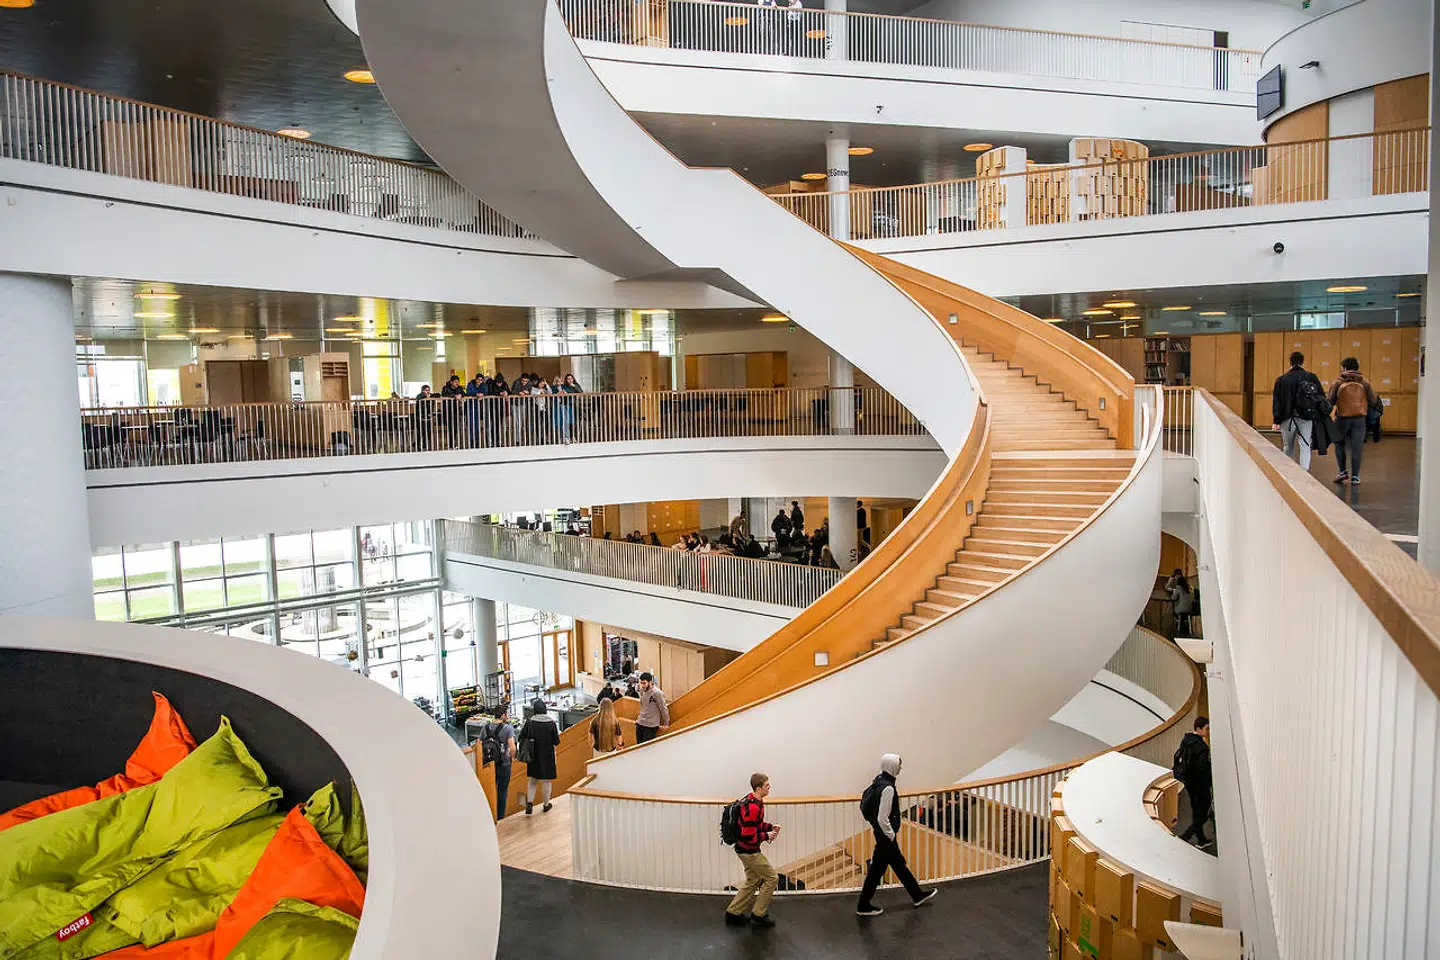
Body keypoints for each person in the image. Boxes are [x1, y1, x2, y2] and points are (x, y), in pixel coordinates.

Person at [855, 754, 937, 916]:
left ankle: (916, 895)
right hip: (885, 836)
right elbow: (882, 817)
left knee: (897, 865)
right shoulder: (888, 788)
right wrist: (891, 835)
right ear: (892, 766)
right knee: (880, 870)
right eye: (898, 764)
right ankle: (863, 905)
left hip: (883, 835)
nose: (900, 767)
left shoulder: (879, 780)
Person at [724, 773, 781, 928]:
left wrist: (769, 827)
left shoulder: (752, 800)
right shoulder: (754, 806)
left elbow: (754, 825)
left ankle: (733, 912)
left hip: (743, 849)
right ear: (758, 788)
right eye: (767, 785)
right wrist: (766, 835)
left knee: (753, 880)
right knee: (772, 878)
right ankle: (758, 915)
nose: (769, 788)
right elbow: (748, 834)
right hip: (749, 851)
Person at [1327, 356, 1378, 486]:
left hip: (1342, 418)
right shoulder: (1364, 382)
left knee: (1339, 444)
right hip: (1359, 419)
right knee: (1356, 447)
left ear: (1344, 368)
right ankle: (1355, 476)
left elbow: (1331, 401)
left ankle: (1342, 471)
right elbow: (1373, 400)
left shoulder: (1338, 382)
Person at [1271, 351, 1326, 471]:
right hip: (1306, 417)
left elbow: (1277, 401)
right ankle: (1304, 472)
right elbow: (1320, 396)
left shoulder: (1281, 379)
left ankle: (1289, 472)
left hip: (1287, 418)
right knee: (1305, 445)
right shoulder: (1311, 377)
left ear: (1290, 362)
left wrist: (1276, 420)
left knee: (1288, 446)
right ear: (1302, 362)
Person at [517, 698, 561, 815]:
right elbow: (556, 742)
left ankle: (529, 804)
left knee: (532, 780)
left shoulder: (530, 723)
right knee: (546, 781)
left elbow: (521, 736)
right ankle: (546, 804)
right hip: (547, 756)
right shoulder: (551, 723)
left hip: (533, 755)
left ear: (535, 710)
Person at [1174, 717, 1213, 847]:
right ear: (1199, 728)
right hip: (1200, 786)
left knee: (1197, 811)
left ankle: (1201, 839)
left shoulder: (1187, 740)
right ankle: (1186, 836)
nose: (1208, 731)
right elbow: (1202, 770)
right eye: (1206, 729)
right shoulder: (1201, 747)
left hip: (1189, 784)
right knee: (1204, 812)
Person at [481, 708, 518, 819]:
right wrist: (513, 758)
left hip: (488, 763)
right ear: (502, 715)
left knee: (489, 789)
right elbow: (512, 747)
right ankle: (500, 816)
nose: (507, 716)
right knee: (502, 790)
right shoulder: (508, 729)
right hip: (504, 763)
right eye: (506, 714)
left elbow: (479, 744)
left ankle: (489, 814)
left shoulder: (485, 728)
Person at [634, 671, 669, 743]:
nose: (642, 685)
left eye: (644, 683)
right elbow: (643, 705)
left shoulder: (657, 693)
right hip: (640, 723)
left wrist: (666, 724)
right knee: (638, 749)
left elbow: (663, 709)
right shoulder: (642, 691)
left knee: (648, 750)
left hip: (650, 726)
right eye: (641, 683)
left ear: (650, 682)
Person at [1165, 569, 1195, 636]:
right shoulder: (1188, 587)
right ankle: (1183, 624)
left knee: (1175, 610)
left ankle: (1178, 626)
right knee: (1180, 608)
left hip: (1181, 608)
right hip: (1190, 609)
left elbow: (1173, 598)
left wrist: (1173, 594)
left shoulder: (1178, 587)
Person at [412, 385, 435, 451]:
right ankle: (416, 444)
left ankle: (424, 445)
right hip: (420, 417)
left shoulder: (430, 396)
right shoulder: (420, 395)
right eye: (426, 390)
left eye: (428, 390)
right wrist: (427, 397)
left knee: (428, 432)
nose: (427, 392)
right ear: (422, 391)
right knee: (421, 432)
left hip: (428, 417)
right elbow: (420, 399)